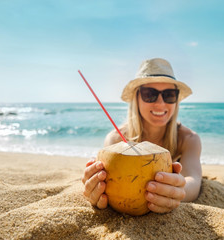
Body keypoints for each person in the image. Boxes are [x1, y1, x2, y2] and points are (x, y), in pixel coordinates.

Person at [82, 58, 202, 213]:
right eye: (149, 94)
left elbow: (194, 179)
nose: (160, 103)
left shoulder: (188, 139)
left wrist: (178, 190)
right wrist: (95, 186)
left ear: (176, 100)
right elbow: (108, 183)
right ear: (136, 98)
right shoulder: (115, 140)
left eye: (169, 95)